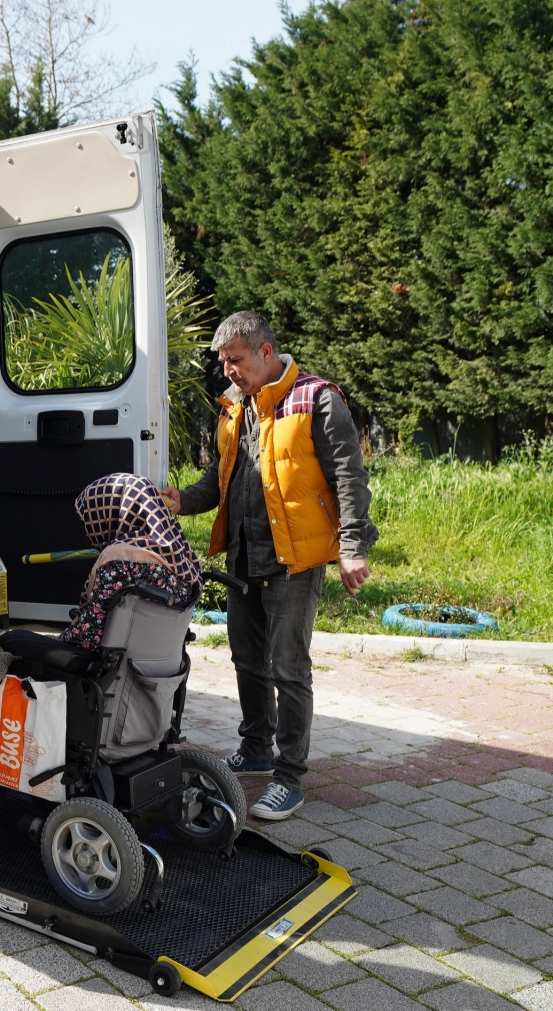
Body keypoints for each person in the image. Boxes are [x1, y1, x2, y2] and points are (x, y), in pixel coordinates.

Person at [159, 311, 377, 821]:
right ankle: (256, 749)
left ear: (264, 351)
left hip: (293, 562)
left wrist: (352, 546)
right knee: (247, 661)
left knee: (289, 669)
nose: (228, 371)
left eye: (234, 360)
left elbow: (349, 478)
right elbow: (220, 478)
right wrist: (181, 500)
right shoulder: (234, 408)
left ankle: (289, 776)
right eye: (223, 363)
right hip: (243, 555)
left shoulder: (317, 398)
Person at [0, 473, 200, 780]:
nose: (92, 530)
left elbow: (87, 640)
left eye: (95, 519)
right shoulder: (182, 564)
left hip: (97, 696)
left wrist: (34, 642)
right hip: (147, 706)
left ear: (114, 512)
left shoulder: (119, 561)